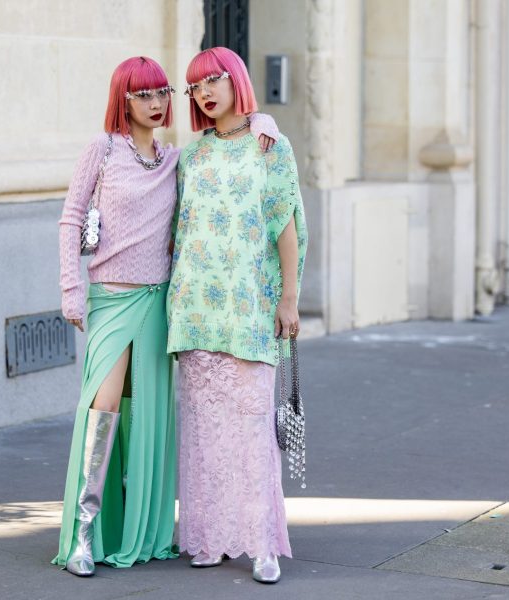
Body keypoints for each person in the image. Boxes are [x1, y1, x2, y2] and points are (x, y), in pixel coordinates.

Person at [52, 55, 278, 577]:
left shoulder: (177, 159)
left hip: (160, 305)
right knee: (104, 402)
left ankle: (141, 532)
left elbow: (236, 135)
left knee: (148, 417)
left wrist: (263, 119)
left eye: (162, 93)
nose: (156, 104)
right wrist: (70, 289)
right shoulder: (103, 149)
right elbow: (70, 218)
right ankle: (83, 535)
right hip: (111, 299)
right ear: (123, 99)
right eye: (143, 95)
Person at [166, 47, 308, 584]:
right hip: (196, 310)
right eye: (195, 86)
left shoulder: (271, 145)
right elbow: (177, 230)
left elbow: (284, 223)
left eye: (213, 81)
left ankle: (261, 544)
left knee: (251, 431)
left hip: (249, 308)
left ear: (236, 81)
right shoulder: (192, 155)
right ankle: (211, 538)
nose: (204, 93)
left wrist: (289, 297)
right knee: (204, 433)